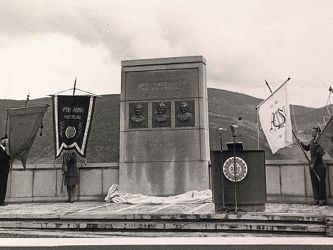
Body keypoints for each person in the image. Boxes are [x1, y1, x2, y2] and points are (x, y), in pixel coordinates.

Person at [298, 126, 327, 206]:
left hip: (319, 165)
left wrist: (313, 164)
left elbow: (319, 154)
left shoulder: (320, 142)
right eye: (312, 131)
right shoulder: (311, 141)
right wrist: (300, 142)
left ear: (318, 133)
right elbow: (307, 148)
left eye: (314, 131)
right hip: (312, 164)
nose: (312, 132)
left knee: (321, 183)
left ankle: (322, 199)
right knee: (314, 182)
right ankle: (316, 199)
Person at [0, 136, 11, 206]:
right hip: (1, 172)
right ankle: (1, 201)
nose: (6, 143)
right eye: (5, 141)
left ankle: (2, 200)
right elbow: (2, 158)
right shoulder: (0, 150)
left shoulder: (3, 150)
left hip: (4, 171)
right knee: (1, 186)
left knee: (3, 186)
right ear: (2, 141)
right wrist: (8, 157)